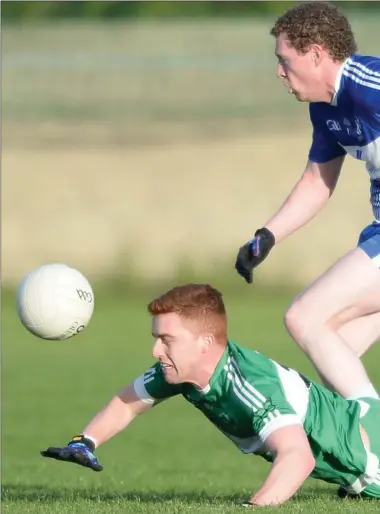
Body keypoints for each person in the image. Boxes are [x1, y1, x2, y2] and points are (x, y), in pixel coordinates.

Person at [42, 284, 380, 506]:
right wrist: (84, 441)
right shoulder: (180, 370)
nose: (155, 350)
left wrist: (252, 508)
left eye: (166, 340)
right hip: (359, 414)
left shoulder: (249, 387)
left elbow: (298, 458)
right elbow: (127, 404)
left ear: (205, 343)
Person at [235, 1, 380, 402]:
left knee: (304, 317)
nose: (279, 71)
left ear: (316, 54)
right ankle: (369, 462)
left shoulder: (371, 84)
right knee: (336, 354)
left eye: (285, 60)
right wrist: (268, 235)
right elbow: (317, 182)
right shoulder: (325, 109)